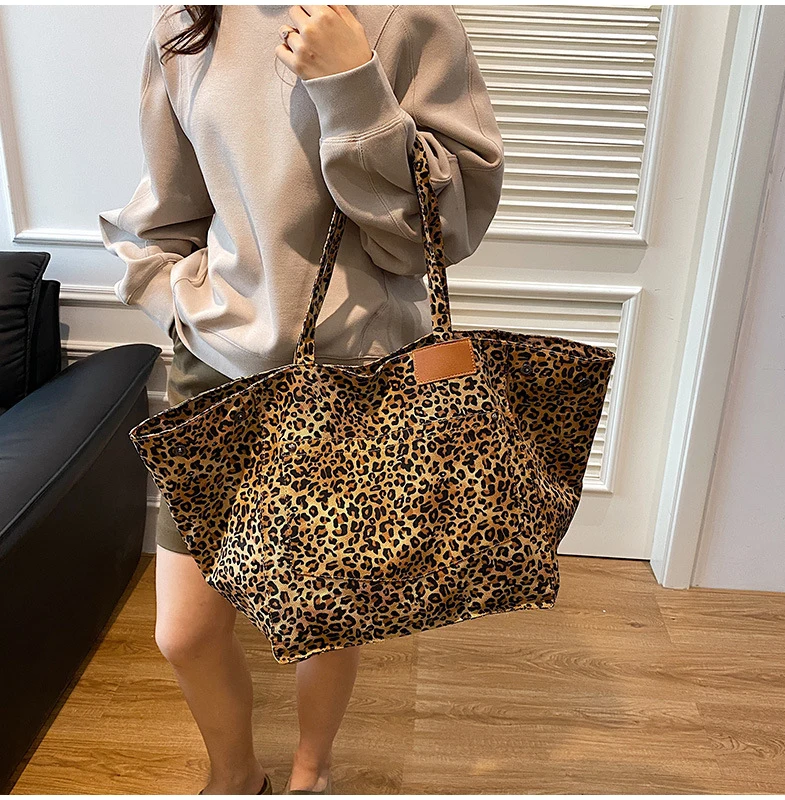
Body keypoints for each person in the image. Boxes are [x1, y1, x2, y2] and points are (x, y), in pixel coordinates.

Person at [98, 4, 504, 795]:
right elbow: (171, 206)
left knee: (326, 614)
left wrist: (352, 85)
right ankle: (235, 776)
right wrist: (174, 299)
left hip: (356, 381)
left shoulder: (404, 18)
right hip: (214, 372)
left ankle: (312, 771)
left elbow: (441, 233)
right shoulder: (189, 20)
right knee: (184, 632)